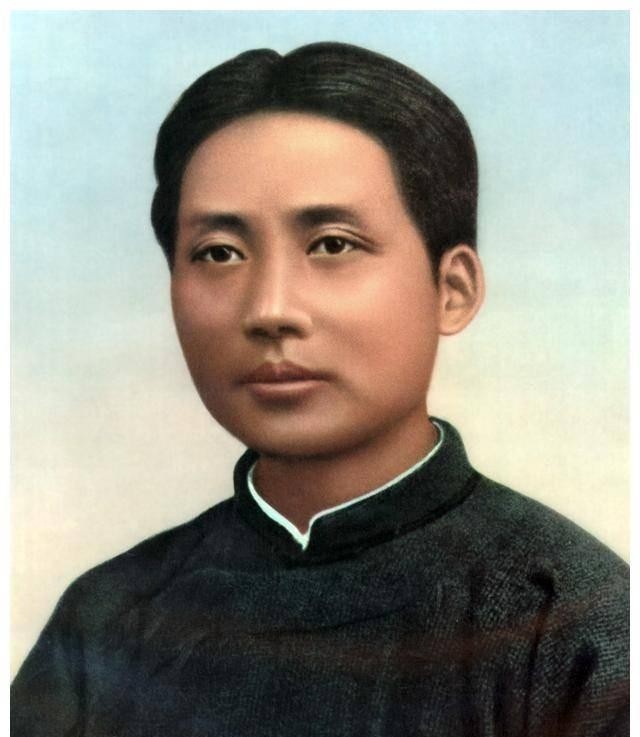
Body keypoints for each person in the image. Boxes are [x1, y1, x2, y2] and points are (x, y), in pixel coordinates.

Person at [11, 41, 629, 737]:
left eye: (333, 244)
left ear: (451, 289)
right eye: (219, 253)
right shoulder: (104, 620)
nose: (270, 309)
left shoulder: (576, 617)